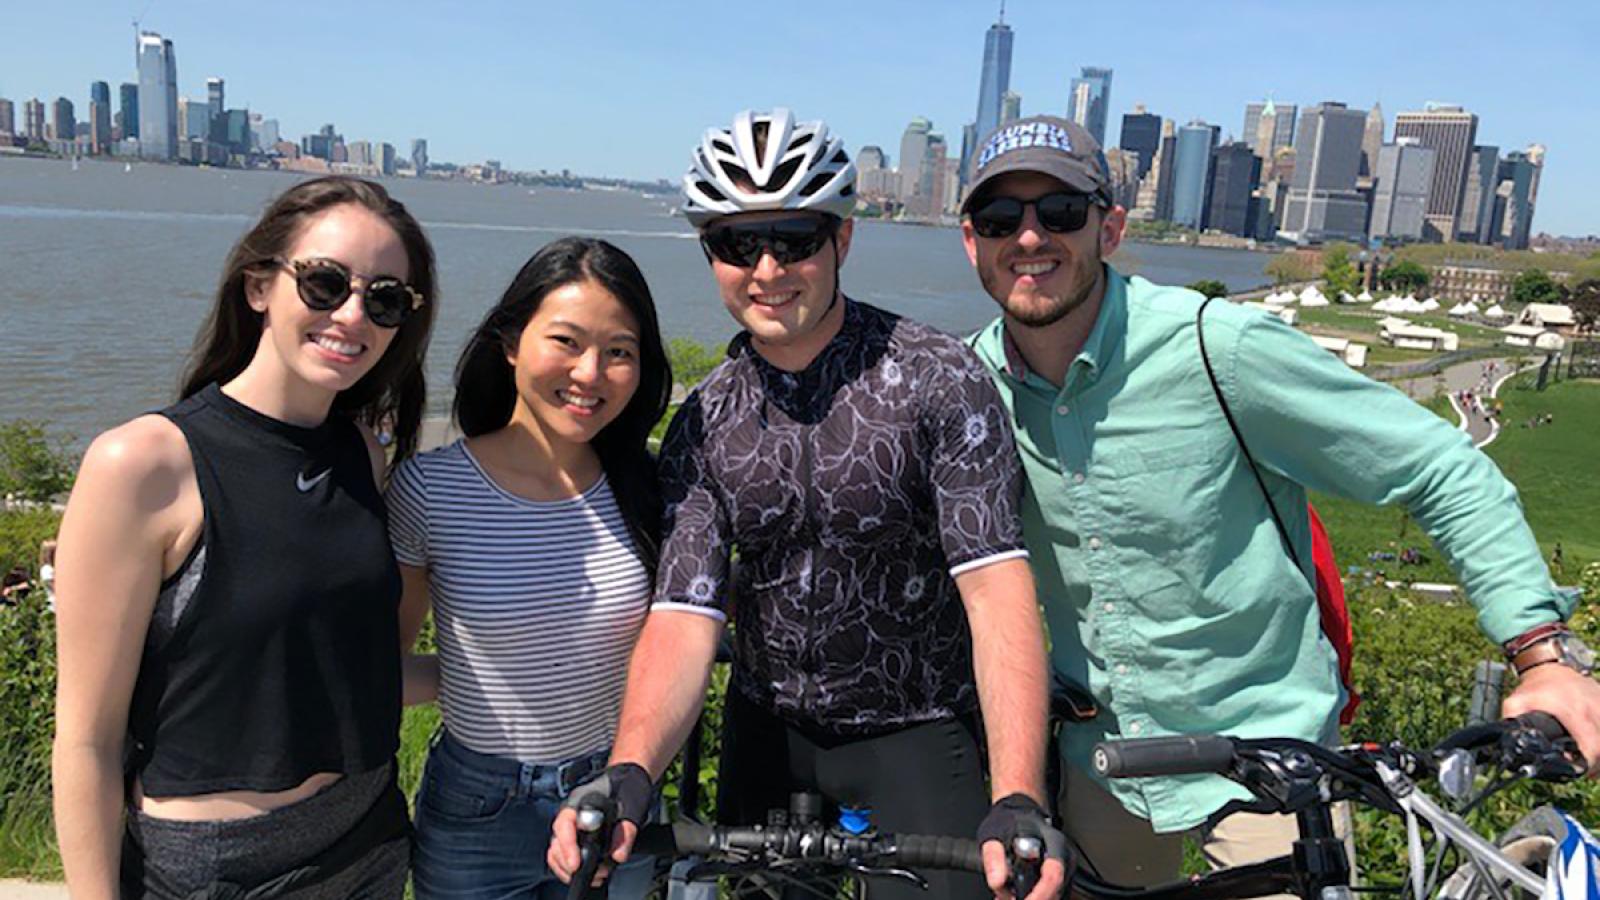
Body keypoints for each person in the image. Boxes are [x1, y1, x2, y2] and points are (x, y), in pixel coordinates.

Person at [956, 114, 1600, 887]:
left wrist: (1541, 653)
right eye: (1001, 219)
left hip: (1271, 764)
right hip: (1102, 766)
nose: (1028, 239)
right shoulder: (966, 388)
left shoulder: (1217, 349)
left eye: (1059, 213)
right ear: (972, 243)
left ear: (1112, 227)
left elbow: (1437, 466)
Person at [548, 108, 1067, 900]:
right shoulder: (705, 420)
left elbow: (995, 589)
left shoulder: (938, 378)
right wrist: (629, 771)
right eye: (735, 242)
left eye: (793, 238)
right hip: (767, 735)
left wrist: (1019, 794)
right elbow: (685, 613)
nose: (766, 268)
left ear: (842, 242)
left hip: (920, 731)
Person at [52, 176, 436, 899]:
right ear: (259, 286)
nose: (353, 315)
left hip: (369, 837)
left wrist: (522, 675)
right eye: (325, 284)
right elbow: (85, 740)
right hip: (217, 866)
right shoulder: (144, 464)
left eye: (384, 298)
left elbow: (347, 669)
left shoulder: (365, 455)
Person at [387, 237, 670, 899]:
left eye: (619, 351)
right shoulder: (430, 488)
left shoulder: (650, 488)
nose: (590, 373)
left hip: (616, 794)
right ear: (510, 344)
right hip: (478, 807)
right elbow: (385, 664)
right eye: (566, 342)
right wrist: (476, 677)